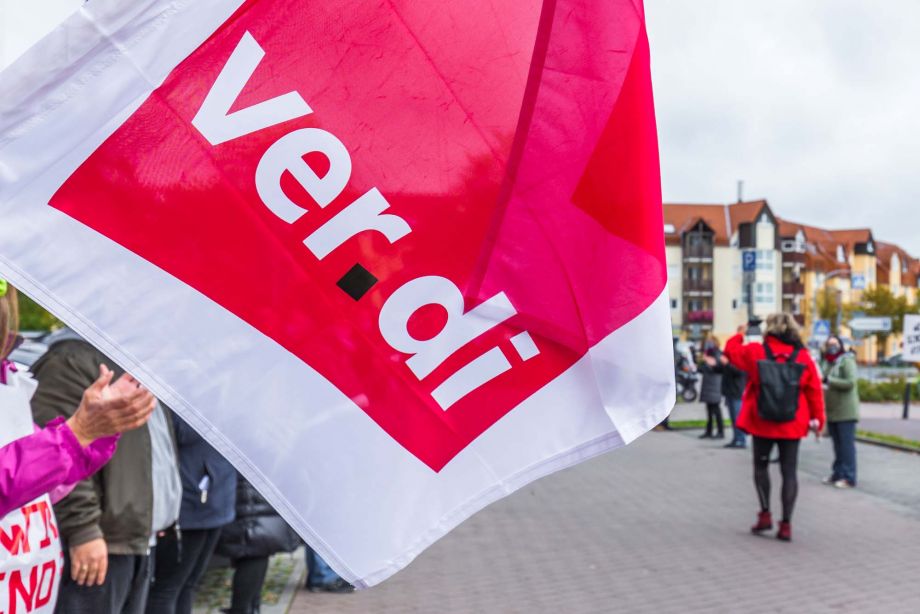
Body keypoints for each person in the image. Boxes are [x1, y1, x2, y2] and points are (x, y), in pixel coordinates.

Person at [1, 282, 156, 612]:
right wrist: (78, 433)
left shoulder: (9, 383)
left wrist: (95, 430)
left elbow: (41, 485)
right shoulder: (67, 360)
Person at [31, 328, 182, 614]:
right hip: (101, 542)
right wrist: (83, 529)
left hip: (131, 538)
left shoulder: (132, 360)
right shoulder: (73, 359)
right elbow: (55, 452)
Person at [725, 313, 825, 542]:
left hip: (763, 421)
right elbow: (814, 391)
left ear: (769, 329)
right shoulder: (804, 357)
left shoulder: (756, 352)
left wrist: (741, 333)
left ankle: (765, 514)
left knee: (760, 468)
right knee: (789, 472)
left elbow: (731, 352)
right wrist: (818, 420)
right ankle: (786, 524)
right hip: (792, 423)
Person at [146, 414, 238, 613]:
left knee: (174, 587)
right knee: (177, 586)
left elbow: (178, 432)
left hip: (199, 498)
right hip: (202, 495)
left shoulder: (207, 393)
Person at [216, 475, 300, 614]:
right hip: (258, 496)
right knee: (257, 551)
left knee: (254, 552)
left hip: (250, 499)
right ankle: (249, 608)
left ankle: (243, 609)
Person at [820, 336, 859, 489]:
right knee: (837, 445)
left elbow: (850, 382)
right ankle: (838, 473)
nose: (832, 347)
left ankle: (849, 477)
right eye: (829, 344)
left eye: (834, 344)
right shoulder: (827, 362)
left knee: (846, 446)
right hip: (833, 410)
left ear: (841, 345)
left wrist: (830, 381)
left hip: (846, 411)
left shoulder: (846, 361)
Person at [720, 326, 748, 448]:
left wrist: (727, 364)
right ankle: (736, 438)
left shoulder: (739, 354)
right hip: (731, 389)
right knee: (733, 416)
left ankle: (740, 439)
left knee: (737, 416)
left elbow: (741, 372)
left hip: (736, 390)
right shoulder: (734, 353)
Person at [698, 346, 724, 439]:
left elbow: (719, 368)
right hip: (708, 388)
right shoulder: (708, 357)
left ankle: (720, 432)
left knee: (716, 411)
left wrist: (711, 363)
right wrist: (703, 360)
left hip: (715, 388)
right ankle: (709, 431)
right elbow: (700, 369)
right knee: (709, 411)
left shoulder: (717, 357)